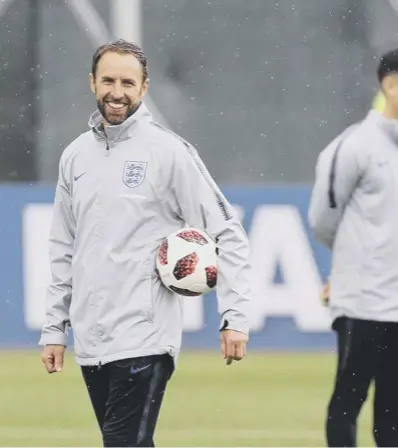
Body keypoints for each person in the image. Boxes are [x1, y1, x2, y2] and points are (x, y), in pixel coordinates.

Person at [39, 39, 252, 447]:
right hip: (92, 339)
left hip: (145, 337)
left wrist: (235, 316)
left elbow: (228, 231)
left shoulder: (168, 152)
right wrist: (55, 328)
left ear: (145, 87)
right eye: (108, 81)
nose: (116, 92)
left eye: (127, 82)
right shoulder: (75, 157)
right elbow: (63, 247)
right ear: (92, 83)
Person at [308, 48, 398, 448]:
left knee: (393, 412)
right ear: (390, 85)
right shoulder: (354, 146)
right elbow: (323, 221)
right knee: (348, 402)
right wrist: (348, 270)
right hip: (363, 302)